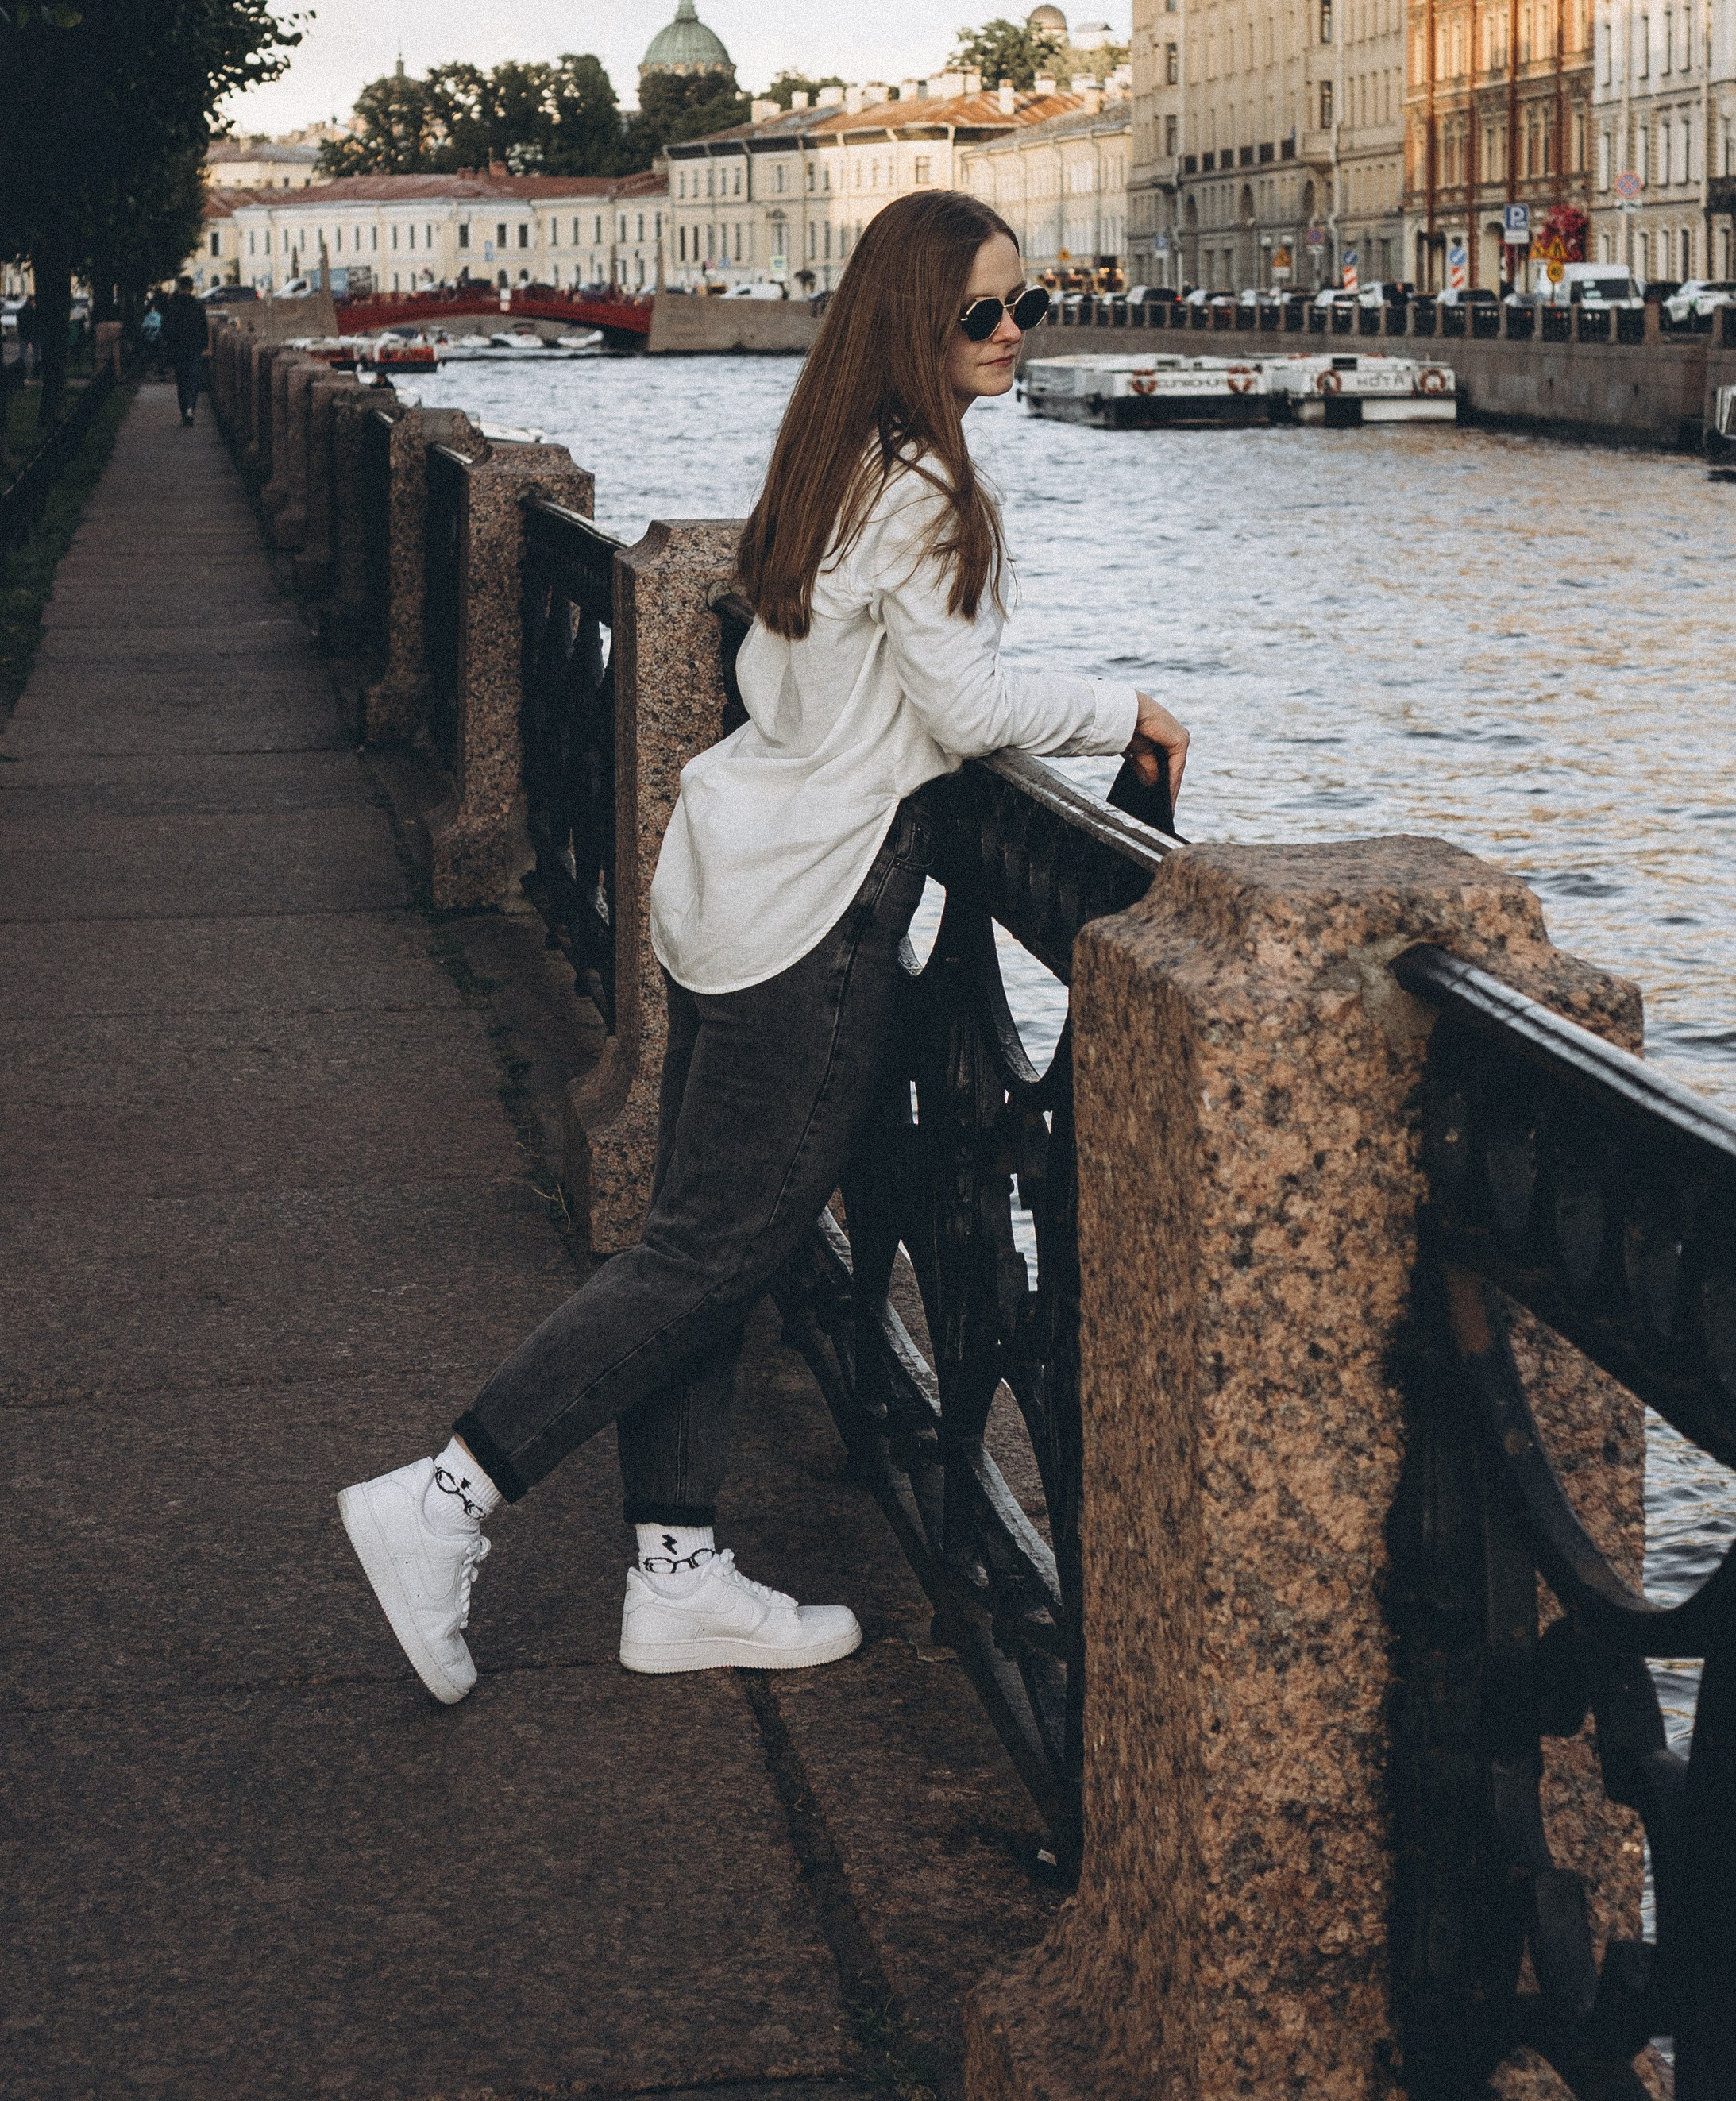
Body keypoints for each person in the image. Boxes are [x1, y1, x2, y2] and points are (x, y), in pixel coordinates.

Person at [338, 193, 1190, 1706]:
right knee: (711, 1249)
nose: (1013, 336)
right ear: (913, 327)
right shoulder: (923, 487)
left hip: (727, 878)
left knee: (703, 1238)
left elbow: (797, 673)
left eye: (1024, 308)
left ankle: (676, 1575)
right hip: (815, 911)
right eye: (984, 314)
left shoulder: (829, 461)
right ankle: (447, 1497)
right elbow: (969, 709)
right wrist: (1134, 713)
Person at [160, 275, 209, 425]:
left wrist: (169, 345)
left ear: (179, 287)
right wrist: (204, 345)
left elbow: (165, 329)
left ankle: (184, 412)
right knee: (194, 380)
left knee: (182, 382)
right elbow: (204, 327)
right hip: (195, 348)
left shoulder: (172, 306)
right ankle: (190, 409)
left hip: (178, 350)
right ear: (192, 288)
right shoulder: (197, 306)